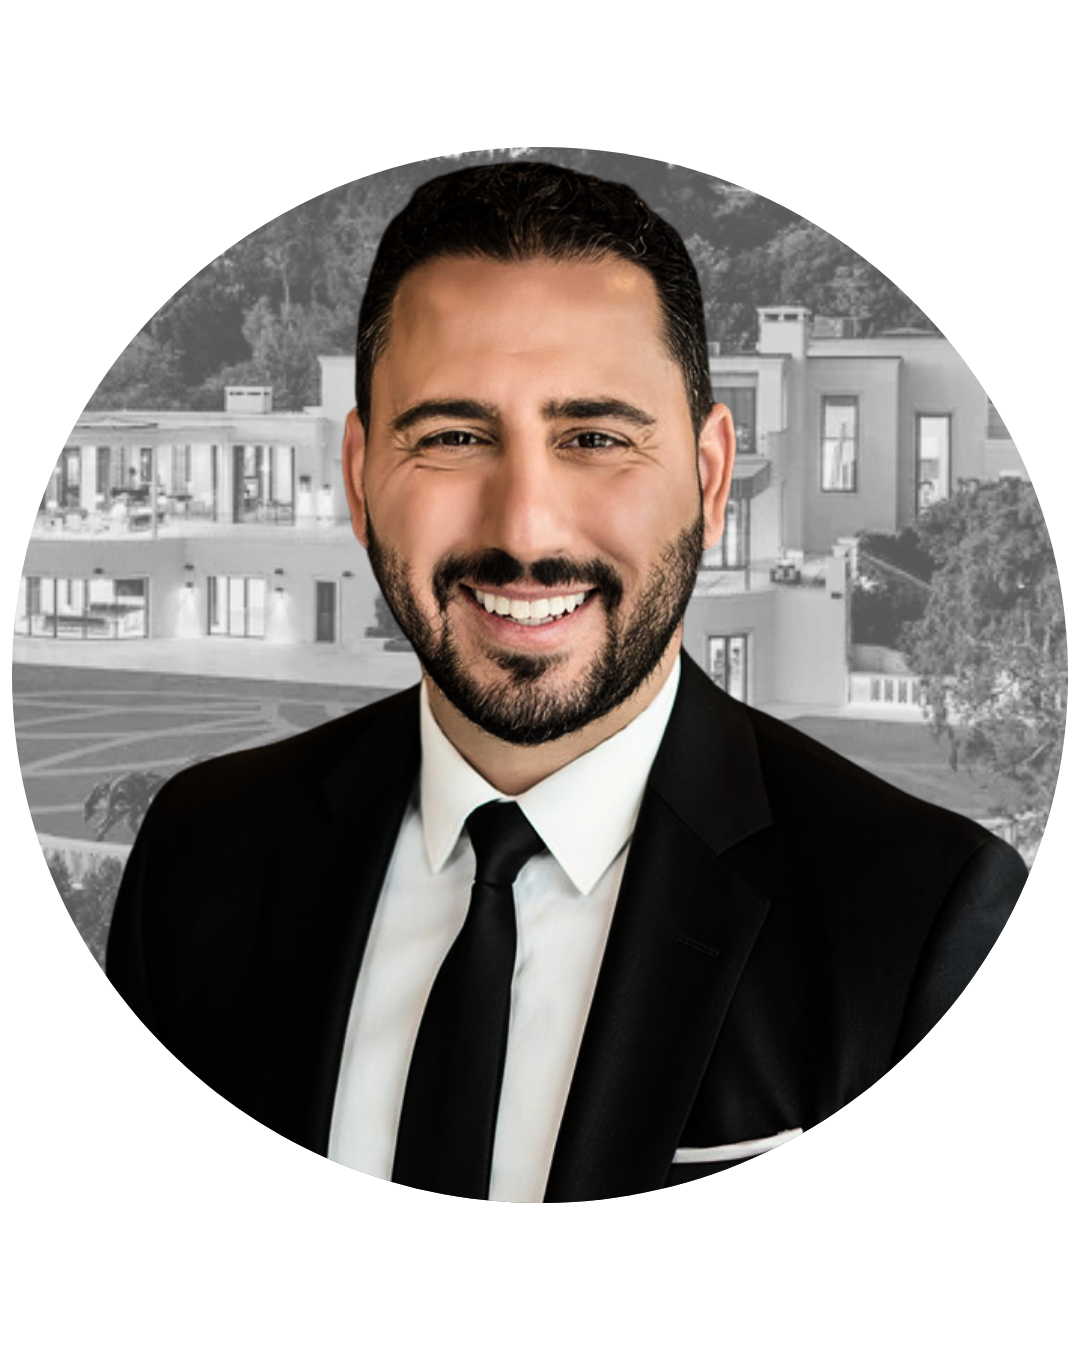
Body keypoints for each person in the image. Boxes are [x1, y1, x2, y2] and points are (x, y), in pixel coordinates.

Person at [106, 161, 1029, 1203]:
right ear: (360, 479)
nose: (525, 532)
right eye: (453, 437)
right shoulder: (199, 856)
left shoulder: (921, 930)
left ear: (712, 476)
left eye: (594, 438)